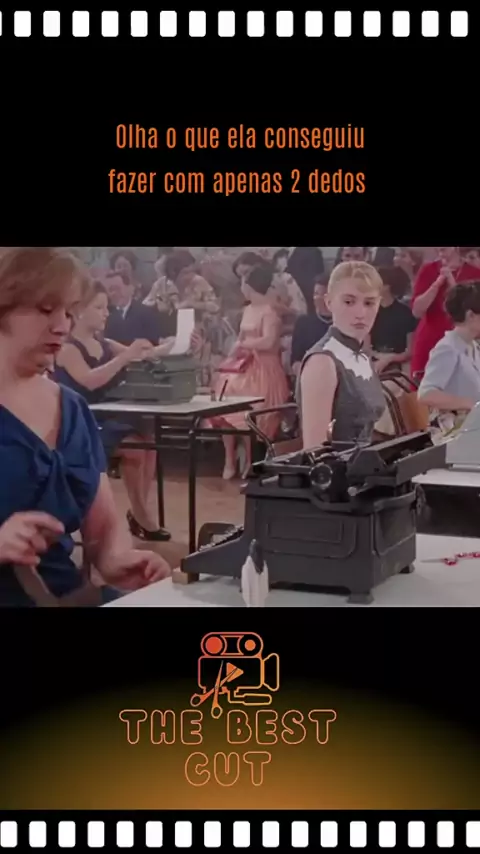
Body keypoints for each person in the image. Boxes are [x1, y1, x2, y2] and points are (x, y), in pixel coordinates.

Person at [0, 247, 171, 607]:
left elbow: (103, 526)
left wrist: (115, 560)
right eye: (46, 309)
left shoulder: (73, 409)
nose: (62, 325)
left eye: (68, 312)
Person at [54, 280, 173, 541]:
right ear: (79, 311)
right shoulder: (67, 348)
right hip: (79, 422)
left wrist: (177, 344)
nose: (106, 313)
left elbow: (144, 354)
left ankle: (140, 511)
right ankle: (141, 514)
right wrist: (124, 357)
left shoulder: (104, 343)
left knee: (148, 442)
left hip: (109, 416)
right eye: (99, 307)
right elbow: (90, 380)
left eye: (106, 307)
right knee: (135, 446)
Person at [210, 262, 290, 479]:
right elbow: (240, 338)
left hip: (264, 369)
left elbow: (269, 342)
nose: (241, 286)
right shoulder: (248, 309)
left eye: (243, 282)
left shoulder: (270, 312)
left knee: (248, 410)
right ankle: (229, 458)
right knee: (224, 397)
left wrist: (244, 345)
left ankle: (250, 460)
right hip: (244, 364)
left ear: (250, 285)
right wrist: (233, 353)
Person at [297, 261, 386, 448]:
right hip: (337, 466)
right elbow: (314, 449)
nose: (360, 313)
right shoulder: (322, 361)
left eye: (369, 303)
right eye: (349, 302)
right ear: (329, 302)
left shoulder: (361, 355)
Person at [410, 247, 480, 379]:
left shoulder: (475, 273)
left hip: (463, 342)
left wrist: (451, 281)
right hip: (429, 339)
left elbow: (466, 309)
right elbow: (416, 311)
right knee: (423, 386)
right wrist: (437, 283)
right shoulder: (428, 269)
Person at [418, 282, 480, 423]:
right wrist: (470, 404)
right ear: (471, 315)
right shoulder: (448, 348)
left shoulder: (473, 345)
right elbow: (426, 394)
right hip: (457, 427)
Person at [369, 266, 417, 374]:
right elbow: (365, 347)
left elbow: (410, 351)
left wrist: (389, 358)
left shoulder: (405, 313)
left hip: (398, 365)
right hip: (374, 362)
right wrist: (378, 357)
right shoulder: (370, 312)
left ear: (387, 286)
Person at [104, 270, 176, 344]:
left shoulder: (147, 313)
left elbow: (155, 341)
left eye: (117, 288)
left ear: (130, 288)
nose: (114, 293)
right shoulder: (107, 316)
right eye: (111, 290)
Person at [290, 275, 332, 376]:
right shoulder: (303, 323)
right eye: (316, 293)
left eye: (323, 294)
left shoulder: (343, 323)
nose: (318, 298)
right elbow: (295, 361)